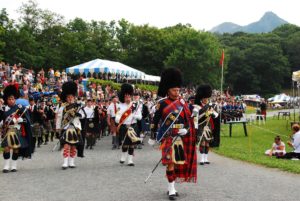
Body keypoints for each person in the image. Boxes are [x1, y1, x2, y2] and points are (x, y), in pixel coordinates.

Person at [148, 68, 197, 200]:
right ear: (168, 89)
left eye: (178, 90)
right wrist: (153, 135)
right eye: (174, 90)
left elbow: (188, 120)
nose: (177, 92)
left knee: (176, 164)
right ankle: (171, 189)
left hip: (179, 138)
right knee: (170, 162)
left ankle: (172, 186)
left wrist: (186, 129)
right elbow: (155, 121)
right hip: (168, 137)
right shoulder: (162, 104)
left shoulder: (182, 103)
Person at [1, 84, 33, 173]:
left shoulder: (20, 108)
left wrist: (21, 119)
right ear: (6, 100)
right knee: (6, 148)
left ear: (15, 99)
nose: (11, 101)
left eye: (12, 99)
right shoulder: (3, 109)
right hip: (7, 130)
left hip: (17, 130)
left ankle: (14, 165)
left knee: (16, 148)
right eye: (9, 99)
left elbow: (27, 120)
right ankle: (6, 165)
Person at [56, 81, 82, 169]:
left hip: (75, 128)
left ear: (74, 97)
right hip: (66, 128)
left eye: (71, 97)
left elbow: (83, 116)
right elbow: (59, 118)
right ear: (66, 97)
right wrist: (57, 128)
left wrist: (79, 114)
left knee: (74, 146)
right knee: (66, 145)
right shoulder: (62, 107)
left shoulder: (78, 106)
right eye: (68, 97)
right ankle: (65, 162)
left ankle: (72, 162)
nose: (70, 98)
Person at [115, 83, 142, 166]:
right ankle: (123, 155)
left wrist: (133, 115)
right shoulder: (120, 105)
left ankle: (130, 160)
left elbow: (140, 117)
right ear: (123, 97)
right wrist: (120, 119)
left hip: (133, 126)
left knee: (132, 144)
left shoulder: (135, 105)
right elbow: (117, 118)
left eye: (129, 96)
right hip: (124, 127)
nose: (127, 98)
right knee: (124, 144)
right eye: (126, 96)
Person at [193, 85, 218, 165]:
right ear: (201, 98)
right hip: (200, 126)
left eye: (207, 99)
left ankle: (206, 158)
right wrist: (195, 128)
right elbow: (195, 118)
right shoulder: (196, 107)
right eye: (204, 99)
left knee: (207, 142)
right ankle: (201, 159)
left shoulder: (210, 107)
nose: (206, 100)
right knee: (202, 142)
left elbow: (216, 115)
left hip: (208, 126)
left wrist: (212, 113)